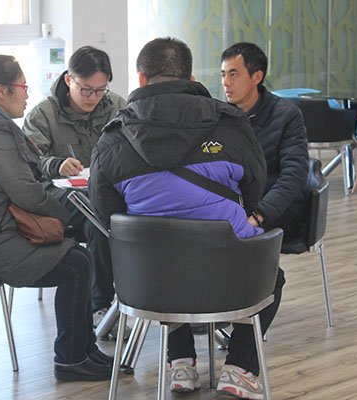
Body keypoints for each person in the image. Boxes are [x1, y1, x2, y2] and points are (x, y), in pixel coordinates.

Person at [89, 37, 272, 399]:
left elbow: (107, 214)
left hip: (150, 284)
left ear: (141, 79)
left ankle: (181, 364)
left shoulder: (112, 138)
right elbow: (255, 191)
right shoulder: (230, 124)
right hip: (232, 278)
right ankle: (239, 369)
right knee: (272, 276)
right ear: (190, 78)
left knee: (162, 256)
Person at [0, 54, 113, 382]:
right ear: (1, 91)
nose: (27, 94)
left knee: (78, 258)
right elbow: (27, 193)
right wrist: (66, 219)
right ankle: (71, 359)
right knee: (76, 264)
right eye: (22, 87)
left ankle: (83, 349)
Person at [23, 46, 126, 337]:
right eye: (86, 90)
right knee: (97, 216)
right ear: (69, 80)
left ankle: (155, 301)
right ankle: (101, 305)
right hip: (58, 194)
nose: (93, 97)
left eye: (100, 90)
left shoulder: (117, 107)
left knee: (139, 211)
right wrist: (55, 165)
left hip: (106, 190)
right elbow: (29, 163)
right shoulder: (43, 115)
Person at [220, 42, 309, 239]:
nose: (226, 82)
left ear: (257, 77)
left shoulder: (287, 115)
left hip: (276, 210)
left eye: (233, 74)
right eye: (223, 75)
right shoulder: (221, 115)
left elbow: (294, 175)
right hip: (235, 206)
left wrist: (258, 216)